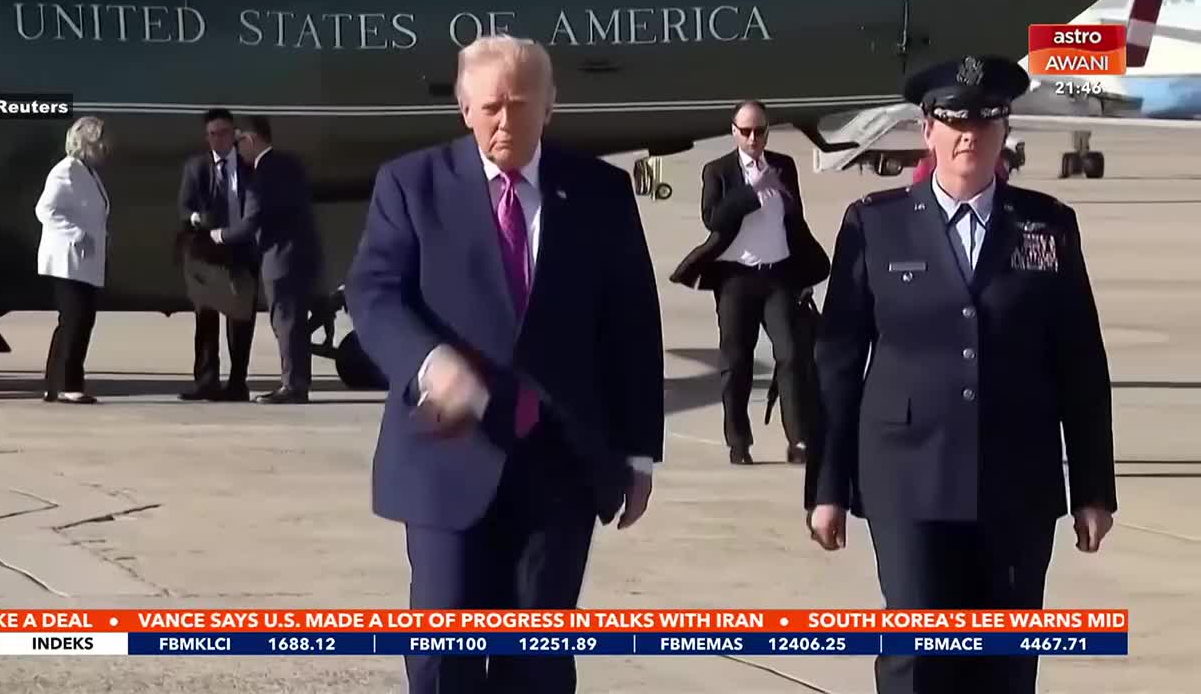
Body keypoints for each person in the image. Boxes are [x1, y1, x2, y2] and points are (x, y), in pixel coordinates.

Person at [346, 34, 664, 694]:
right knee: (443, 653)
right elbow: (373, 294)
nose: (505, 119)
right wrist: (430, 363)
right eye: (490, 105)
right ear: (464, 108)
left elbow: (631, 324)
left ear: (550, 107)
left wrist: (638, 453)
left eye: (521, 103)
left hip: (561, 463)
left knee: (538, 659)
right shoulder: (412, 185)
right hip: (446, 456)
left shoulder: (599, 193)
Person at [805, 55, 1117, 694]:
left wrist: (1093, 486)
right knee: (918, 649)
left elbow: (1081, 362)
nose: (969, 135)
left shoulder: (1048, 225)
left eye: (986, 121)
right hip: (907, 476)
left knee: (1004, 655)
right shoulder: (875, 224)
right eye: (953, 122)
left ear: (1005, 131)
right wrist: (827, 486)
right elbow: (837, 363)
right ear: (928, 130)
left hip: (1016, 478)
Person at [669, 100, 829, 465]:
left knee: (791, 355)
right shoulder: (718, 170)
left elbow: (795, 223)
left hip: (778, 277)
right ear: (734, 132)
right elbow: (714, 220)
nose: (753, 138)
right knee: (736, 362)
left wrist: (805, 274)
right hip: (735, 279)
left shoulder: (784, 166)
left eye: (759, 131)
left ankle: (799, 439)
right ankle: (738, 441)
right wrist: (753, 188)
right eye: (746, 131)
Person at [210, 115, 321, 404]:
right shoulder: (290, 165)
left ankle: (293, 386)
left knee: (285, 322)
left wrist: (219, 235)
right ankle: (298, 381)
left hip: (280, 258)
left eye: (238, 142)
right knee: (294, 322)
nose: (237, 150)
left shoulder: (262, 175)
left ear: (250, 139)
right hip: (300, 254)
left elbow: (249, 224)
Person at [177, 108, 257, 402]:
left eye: (223, 133)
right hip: (207, 253)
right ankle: (206, 381)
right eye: (212, 135)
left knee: (241, 320)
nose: (218, 140)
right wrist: (200, 219)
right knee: (206, 318)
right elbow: (184, 209)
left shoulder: (249, 167)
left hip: (242, 250)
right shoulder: (196, 167)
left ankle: (238, 383)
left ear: (234, 134)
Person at [35, 116, 111, 405]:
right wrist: (76, 234)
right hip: (68, 260)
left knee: (72, 322)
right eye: (100, 142)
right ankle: (69, 384)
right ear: (86, 144)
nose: (105, 148)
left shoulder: (87, 172)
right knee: (76, 321)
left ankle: (54, 385)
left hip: (84, 262)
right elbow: (45, 210)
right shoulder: (65, 171)